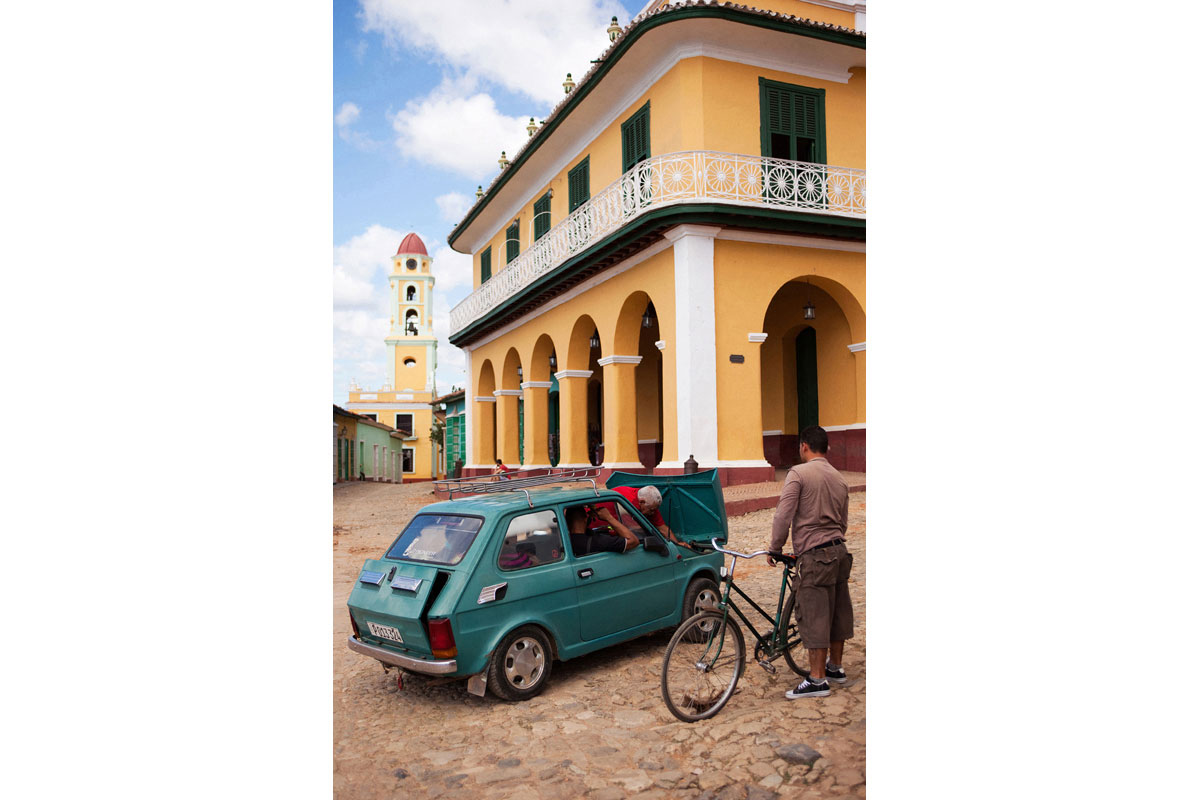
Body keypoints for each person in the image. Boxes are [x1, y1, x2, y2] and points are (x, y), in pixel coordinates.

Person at [766, 425, 852, 699]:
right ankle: (835, 668)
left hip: (815, 555)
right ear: (825, 447)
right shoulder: (839, 478)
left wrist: (775, 547)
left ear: (804, 446)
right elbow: (843, 521)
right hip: (840, 551)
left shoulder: (798, 473)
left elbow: (783, 515)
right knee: (838, 610)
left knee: (814, 613)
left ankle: (817, 680)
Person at [610, 485, 694, 550]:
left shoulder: (649, 504)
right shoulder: (629, 502)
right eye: (651, 510)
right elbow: (631, 528)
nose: (653, 513)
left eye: (655, 510)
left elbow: (663, 528)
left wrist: (677, 545)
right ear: (641, 502)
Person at [565, 505, 640, 555]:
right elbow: (633, 541)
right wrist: (609, 517)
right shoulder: (599, 541)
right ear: (586, 519)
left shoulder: (563, 541)